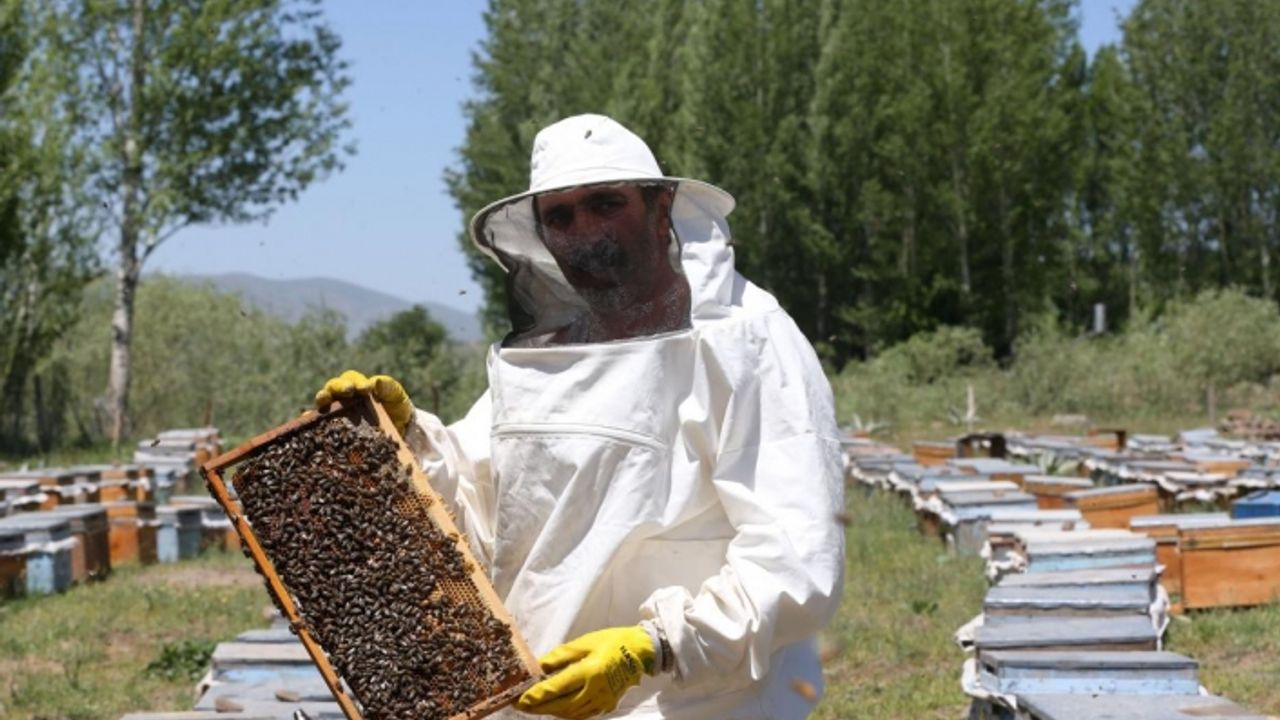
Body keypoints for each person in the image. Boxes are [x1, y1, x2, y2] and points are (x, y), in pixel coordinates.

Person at [315, 114, 845, 719]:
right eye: (560, 216)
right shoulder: (553, 357)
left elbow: (798, 557)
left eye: (605, 203)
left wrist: (655, 647)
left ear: (660, 205)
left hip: (693, 705)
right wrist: (403, 438)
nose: (584, 231)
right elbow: (478, 519)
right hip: (541, 698)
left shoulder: (748, 343)